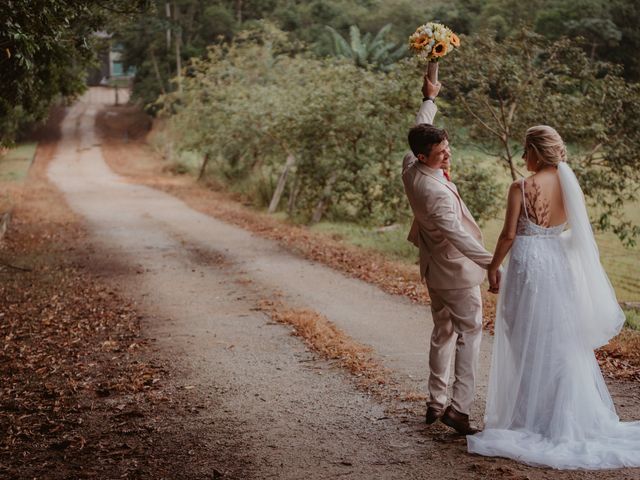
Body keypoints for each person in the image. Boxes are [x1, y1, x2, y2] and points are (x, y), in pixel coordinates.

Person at [467, 125, 640, 469]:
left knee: (525, 340)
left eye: (524, 150)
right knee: (559, 340)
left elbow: (507, 235)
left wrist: (491, 268)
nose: (522, 157)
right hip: (557, 266)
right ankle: (563, 415)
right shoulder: (568, 184)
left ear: (535, 151)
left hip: (529, 267)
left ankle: (534, 418)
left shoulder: (521, 187)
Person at [402, 75, 496, 435]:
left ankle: (435, 400)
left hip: (433, 270)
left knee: (442, 331)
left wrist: (429, 97)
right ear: (424, 156)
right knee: (470, 332)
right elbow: (458, 237)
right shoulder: (434, 192)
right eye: (442, 152)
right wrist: (494, 262)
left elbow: (420, 126)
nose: (448, 153)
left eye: (448, 147)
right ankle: (458, 409)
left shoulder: (411, 164)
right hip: (454, 272)